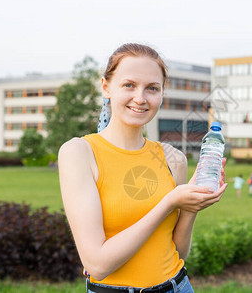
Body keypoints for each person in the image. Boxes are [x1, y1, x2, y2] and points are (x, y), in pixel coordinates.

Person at [58, 43, 227, 293]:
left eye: (152, 88)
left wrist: (192, 206)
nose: (140, 98)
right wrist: (169, 202)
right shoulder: (80, 152)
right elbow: (97, 264)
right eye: (129, 85)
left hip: (178, 287)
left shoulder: (174, 159)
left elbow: (177, 250)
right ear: (106, 87)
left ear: (161, 94)